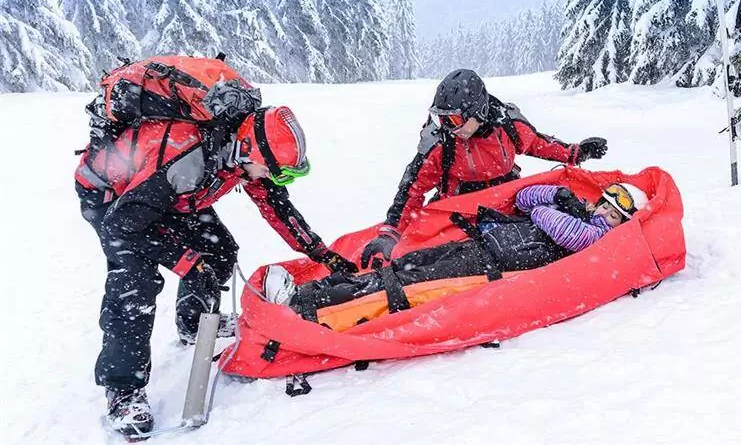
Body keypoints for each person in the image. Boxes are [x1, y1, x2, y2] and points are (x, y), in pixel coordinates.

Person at [75, 105, 350, 438]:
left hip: (165, 193)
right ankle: (122, 391)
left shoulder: (242, 153)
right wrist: (187, 261)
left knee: (218, 252)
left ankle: (194, 324)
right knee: (136, 284)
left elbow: (278, 208)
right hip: (115, 198)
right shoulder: (190, 157)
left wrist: (321, 254)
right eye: (274, 171)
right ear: (249, 150)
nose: (272, 179)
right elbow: (122, 227)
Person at [265, 183, 649, 321]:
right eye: (604, 204)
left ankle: (303, 305)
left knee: (402, 287)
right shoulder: (578, 211)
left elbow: (556, 227)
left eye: (614, 214)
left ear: (622, 223)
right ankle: (318, 292)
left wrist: (548, 206)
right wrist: (554, 193)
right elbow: (524, 197)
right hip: (482, 246)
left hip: (490, 267)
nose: (603, 213)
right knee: (400, 267)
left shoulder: (597, 239)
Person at [361, 69, 609, 269]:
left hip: (506, 205)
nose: (448, 126)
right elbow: (411, 189)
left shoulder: (507, 125)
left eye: (455, 120)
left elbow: (538, 143)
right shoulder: (442, 142)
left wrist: (577, 153)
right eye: (441, 118)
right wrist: (390, 233)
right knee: (438, 261)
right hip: (459, 212)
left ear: (477, 111)